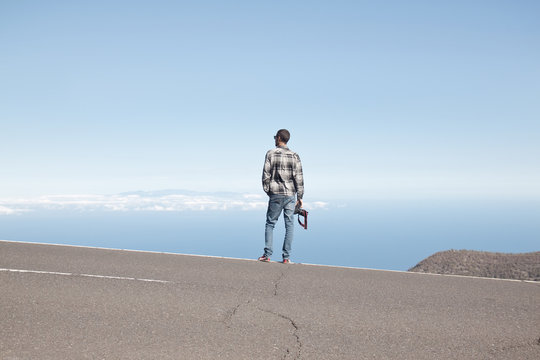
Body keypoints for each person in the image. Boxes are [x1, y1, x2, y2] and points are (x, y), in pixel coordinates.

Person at [258, 129, 304, 264]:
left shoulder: (271, 154)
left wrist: (268, 190)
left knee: (270, 223)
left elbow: (265, 174)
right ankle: (286, 257)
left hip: (275, 194)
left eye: (275, 137)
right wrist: (300, 196)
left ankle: (267, 255)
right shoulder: (295, 156)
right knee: (289, 225)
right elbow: (299, 177)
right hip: (290, 195)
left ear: (278, 138)